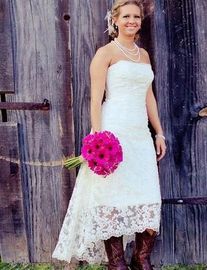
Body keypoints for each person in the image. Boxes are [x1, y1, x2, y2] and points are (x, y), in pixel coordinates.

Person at [52, 0, 166, 269]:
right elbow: (95, 99)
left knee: (146, 192)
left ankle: (142, 259)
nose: (132, 21)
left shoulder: (144, 55)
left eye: (136, 16)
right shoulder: (105, 53)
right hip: (113, 130)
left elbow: (148, 96)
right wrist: (98, 138)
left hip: (139, 133)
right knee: (112, 194)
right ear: (114, 20)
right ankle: (116, 263)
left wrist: (159, 133)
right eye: (126, 16)